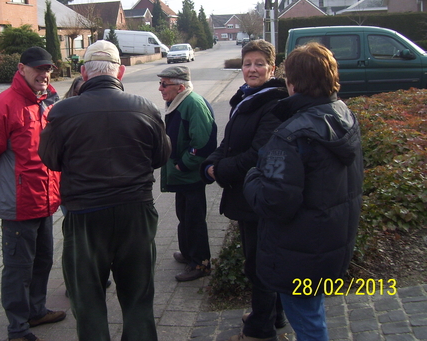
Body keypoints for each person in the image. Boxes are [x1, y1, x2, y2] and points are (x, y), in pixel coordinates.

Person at [38, 40, 171, 341]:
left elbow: (50, 159)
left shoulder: (62, 111)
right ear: (120, 72)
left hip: (85, 214)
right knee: (138, 297)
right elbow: (161, 157)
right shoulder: (146, 108)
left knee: (88, 300)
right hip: (135, 211)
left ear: (84, 73)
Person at [243, 43, 363, 341]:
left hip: (300, 253)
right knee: (312, 311)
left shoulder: (291, 134)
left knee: (308, 324)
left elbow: (275, 202)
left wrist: (252, 177)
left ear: (292, 83)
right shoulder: (343, 115)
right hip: (329, 244)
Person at [0, 47, 66, 341]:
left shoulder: (47, 102)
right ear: (22, 69)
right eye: (38, 68)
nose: (44, 74)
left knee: (43, 261)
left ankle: (36, 311)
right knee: (17, 269)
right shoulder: (4, 105)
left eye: (48, 68)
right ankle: (17, 328)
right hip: (19, 207)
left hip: (46, 202)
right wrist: (3, 193)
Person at [200, 40, 289, 341]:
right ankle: (273, 314)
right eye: (247, 63)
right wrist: (211, 163)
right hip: (245, 193)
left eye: (259, 63)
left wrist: (220, 170)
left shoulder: (274, 102)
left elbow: (258, 153)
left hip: (260, 194)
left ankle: (260, 329)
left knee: (259, 263)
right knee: (258, 258)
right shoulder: (246, 97)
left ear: (272, 67)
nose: (252, 69)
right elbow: (229, 143)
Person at [157, 65, 217, 282]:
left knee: (194, 219)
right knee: (184, 216)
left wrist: (183, 164)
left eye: (165, 84)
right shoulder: (179, 102)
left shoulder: (193, 104)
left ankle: (201, 263)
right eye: (161, 83)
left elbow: (203, 143)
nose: (160, 88)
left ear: (180, 86)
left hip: (190, 176)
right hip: (182, 175)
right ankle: (188, 253)